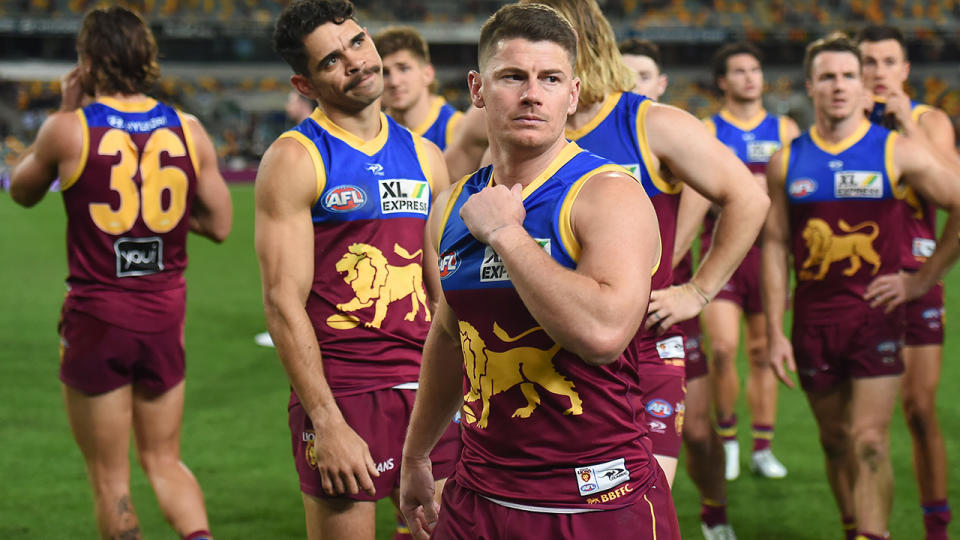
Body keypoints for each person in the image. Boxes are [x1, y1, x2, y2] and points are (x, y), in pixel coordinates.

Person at [398, 4, 679, 539]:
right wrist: (417, 453)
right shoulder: (455, 202)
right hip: (477, 495)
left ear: (571, 94)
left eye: (550, 79)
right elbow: (451, 330)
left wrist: (507, 235)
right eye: (513, 77)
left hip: (595, 501)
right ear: (478, 89)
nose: (532, 94)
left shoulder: (607, 195)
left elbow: (602, 335)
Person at [538, 2, 768, 538]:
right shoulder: (523, 128)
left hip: (645, 346)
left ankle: (716, 514)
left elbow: (748, 200)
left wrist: (698, 290)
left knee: (640, 508)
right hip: (552, 350)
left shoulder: (647, 121)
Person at [9, 7, 232, 540]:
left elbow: (20, 191)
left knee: (110, 478)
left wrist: (66, 108)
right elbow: (220, 224)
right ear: (145, 56)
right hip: (163, 316)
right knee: (165, 461)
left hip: (97, 316)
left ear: (86, 62)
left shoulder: (68, 129)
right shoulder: (189, 128)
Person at [256, 2, 456, 539]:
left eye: (359, 43)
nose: (357, 63)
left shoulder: (426, 156)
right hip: (345, 393)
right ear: (306, 82)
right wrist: (325, 420)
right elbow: (282, 302)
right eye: (331, 61)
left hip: (428, 387)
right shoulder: (296, 159)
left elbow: (444, 296)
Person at [763, 33, 960, 540]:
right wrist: (775, 330)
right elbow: (774, 245)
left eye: (849, 75)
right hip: (812, 323)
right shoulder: (788, 160)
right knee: (834, 442)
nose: (840, 85)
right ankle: (854, 527)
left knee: (869, 440)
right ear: (809, 86)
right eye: (828, 76)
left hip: (876, 319)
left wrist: (922, 279)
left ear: (862, 86)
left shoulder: (895, 149)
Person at [617, 33, 737, 540]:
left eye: (642, 76)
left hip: (665, 310)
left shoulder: (674, 144)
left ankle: (714, 509)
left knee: (703, 434)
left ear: (660, 84)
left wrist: (688, 289)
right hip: (614, 320)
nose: (633, 86)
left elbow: (679, 243)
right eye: (624, 76)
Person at [677, 42, 800, 482]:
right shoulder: (707, 129)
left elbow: (788, 192)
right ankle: (728, 439)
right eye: (740, 71)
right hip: (721, 253)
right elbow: (702, 191)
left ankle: (762, 447)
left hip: (768, 256)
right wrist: (745, 191)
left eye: (755, 69)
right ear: (722, 81)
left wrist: (744, 189)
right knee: (724, 350)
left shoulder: (785, 129)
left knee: (764, 351)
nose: (750, 77)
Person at [857, 25, 958, 540]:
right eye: (868, 61)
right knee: (858, 432)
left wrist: (922, 281)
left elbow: (953, 191)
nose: (877, 72)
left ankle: (936, 529)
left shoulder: (928, 119)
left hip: (913, 278)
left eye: (887, 62)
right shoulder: (847, 122)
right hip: (854, 287)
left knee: (919, 410)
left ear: (905, 70)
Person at [255, 89, 317, 349]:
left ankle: (294, 324)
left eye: (291, 98)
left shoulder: (309, 139)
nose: (287, 103)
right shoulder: (302, 138)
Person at [373, 26, 463, 151]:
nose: (394, 82)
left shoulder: (458, 130)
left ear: (427, 74)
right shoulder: (372, 131)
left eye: (404, 68)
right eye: (385, 73)